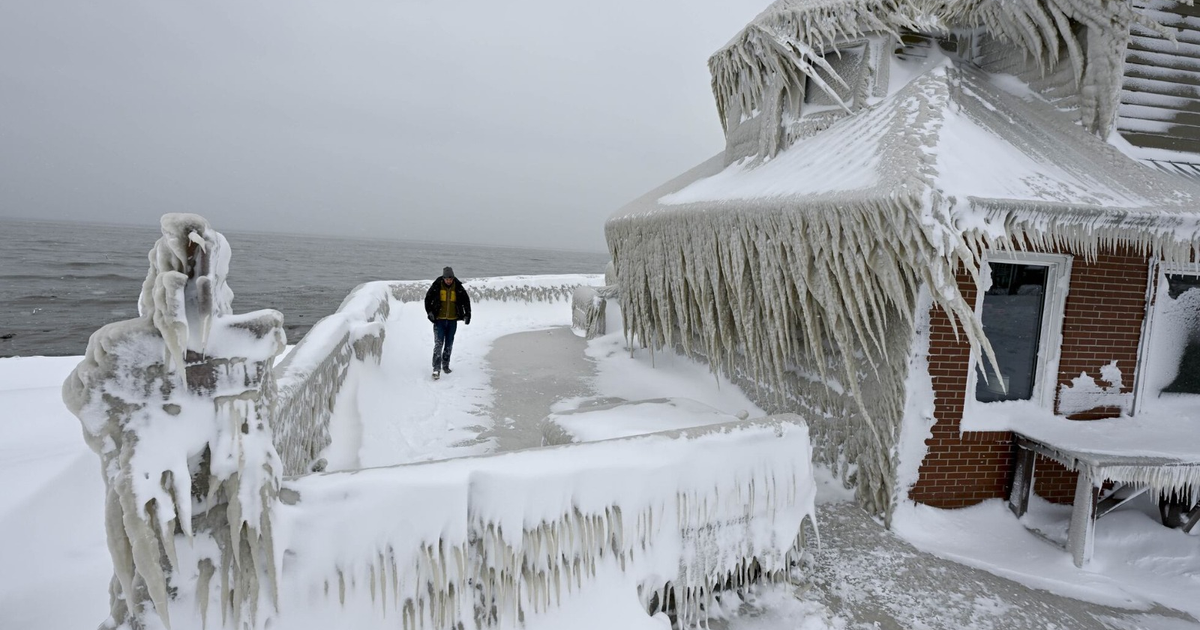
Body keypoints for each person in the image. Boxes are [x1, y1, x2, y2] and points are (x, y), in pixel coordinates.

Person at [424, 266, 471, 378]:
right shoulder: (436, 286)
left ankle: (445, 365)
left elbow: (466, 301)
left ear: (453, 278)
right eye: (447, 279)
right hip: (439, 321)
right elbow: (428, 299)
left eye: (450, 279)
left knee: (449, 344)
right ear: (443, 278)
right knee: (438, 344)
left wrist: (467, 314)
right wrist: (429, 312)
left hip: (452, 321)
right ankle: (436, 368)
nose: (449, 281)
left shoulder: (458, 287)